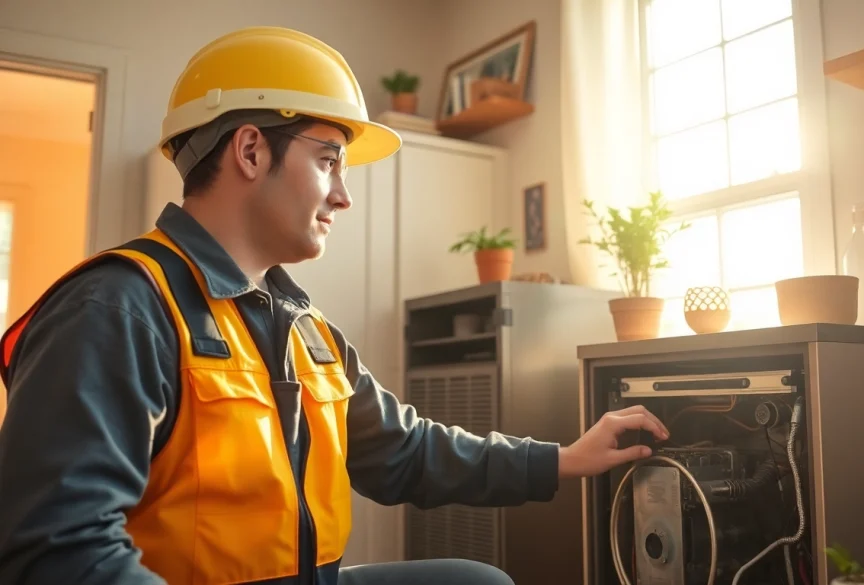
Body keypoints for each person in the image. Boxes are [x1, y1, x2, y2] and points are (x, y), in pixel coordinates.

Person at [0, 26, 669, 585]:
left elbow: (405, 450)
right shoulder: (119, 309)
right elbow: (59, 549)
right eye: (329, 161)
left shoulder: (300, 325)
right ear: (251, 150)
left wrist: (562, 458)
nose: (344, 196)